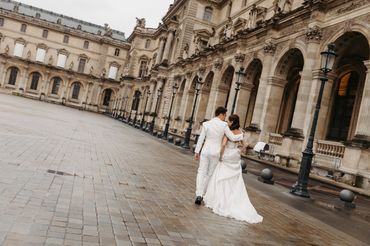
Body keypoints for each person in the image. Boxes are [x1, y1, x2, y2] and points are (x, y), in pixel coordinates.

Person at [204, 114, 263, 223]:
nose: (227, 122)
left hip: (227, 155)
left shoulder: (228, 132)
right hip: (235, 157)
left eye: (228, 121)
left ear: (232, 122)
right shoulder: (240, 132)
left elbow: (223, 145)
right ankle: (234, 199)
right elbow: (244, 145)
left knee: (221, 176)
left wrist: (221, 156)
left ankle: (220, 200)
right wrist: (238, 150)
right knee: (234, 179)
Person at [194, 107, 244, 205]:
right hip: (216, 152)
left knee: (201, 172)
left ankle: (198, 194)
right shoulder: (224, 125)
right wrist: (242, 135)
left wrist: (197, 152)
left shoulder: (206, 123)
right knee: (210, 174)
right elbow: (232, 137)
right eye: (225, 115)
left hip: (205, 151)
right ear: (220, 114)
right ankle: (203, 194)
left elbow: (201, 138)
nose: (225, 117)